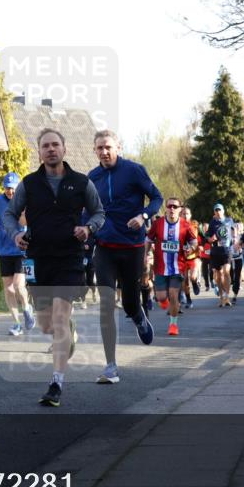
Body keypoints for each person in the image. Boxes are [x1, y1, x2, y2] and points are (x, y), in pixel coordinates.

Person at [3, 128, 104, 407]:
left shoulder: (81, 182)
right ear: (39, 152)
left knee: (58, 319)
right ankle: (68, 329)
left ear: (64, 149)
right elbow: (10, 214)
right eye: (45, 146)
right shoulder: (29, 184)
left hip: (69, 257)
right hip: (38, 259)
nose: (50, 149)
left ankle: (56, 383)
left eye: (55, 145)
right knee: (47, 325)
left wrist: (88, 228)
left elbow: (99, 212)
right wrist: (16, 233)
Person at [87, 130, 162, 384]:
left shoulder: (134, 170)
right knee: (106, 303)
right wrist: (85, 232)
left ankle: (139, 318)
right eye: (99, 148)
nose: (104, 152)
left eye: (108, 147)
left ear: (118, 147)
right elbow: (86, 211)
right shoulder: (92, 178)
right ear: (94, 150)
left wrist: (143, 216)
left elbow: (157, 197)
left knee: (130, 302)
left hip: (132, 246)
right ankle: (110, 366)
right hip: (105, 247)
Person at [0, 171, 35, 336]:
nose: (10, 191)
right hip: (4, 250)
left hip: (22, 249)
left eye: (13, 188)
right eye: (7, 188)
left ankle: (27, 308)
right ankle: (17, 323)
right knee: (9, 289)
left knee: (18, 285)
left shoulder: (26, 200)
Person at [147, 199, 197, 335]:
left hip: (178, 266)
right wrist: (145, 255)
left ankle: (173, 325)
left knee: (173, 295)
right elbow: (148, 240)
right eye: (169, 206)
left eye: (175, 206)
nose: (172, 209)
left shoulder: (185, 225)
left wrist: (191, 249)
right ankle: (164, 301)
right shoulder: (158, 224)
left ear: (180, 209)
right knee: (161, 297)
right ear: (166, 208)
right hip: (160, 267)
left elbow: (194, 242)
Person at [205, 203, 236, 307]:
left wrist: (234, 239)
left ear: (223, 211)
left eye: (219, 210)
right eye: (216, 210)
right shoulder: (212, 222)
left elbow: (234, 230)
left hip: (227, 250)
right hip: (216, 251)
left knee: (226, 271)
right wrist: (210, 239)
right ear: (214, 212)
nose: (218, 212)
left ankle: (227, 296)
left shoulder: (229, 220)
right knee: (218, 276)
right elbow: (207, 236)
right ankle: (221, 296)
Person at [230, 221, 244, 305]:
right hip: (229, 260)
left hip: (238, 259)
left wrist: (243, 246)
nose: (234, 231)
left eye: (235, 229)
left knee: (237, 276)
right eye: (232, 229)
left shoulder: (241, 237)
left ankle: (235, 295)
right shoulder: (228, 237)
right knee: (231, 277)